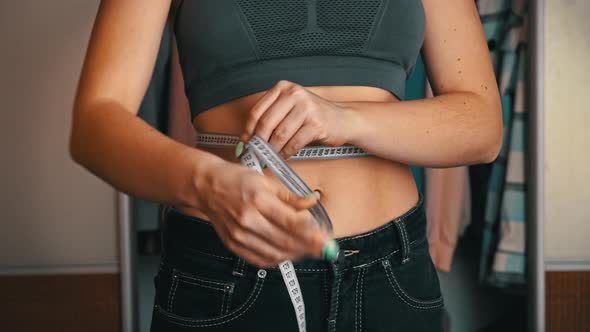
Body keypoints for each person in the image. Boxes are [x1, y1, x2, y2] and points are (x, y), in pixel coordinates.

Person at [69, 0, 502, 331]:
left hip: (393, 270)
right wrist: (207, 183)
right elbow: (95, 121)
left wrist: (344, 119)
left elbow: (482, 127)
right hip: (226, 265)